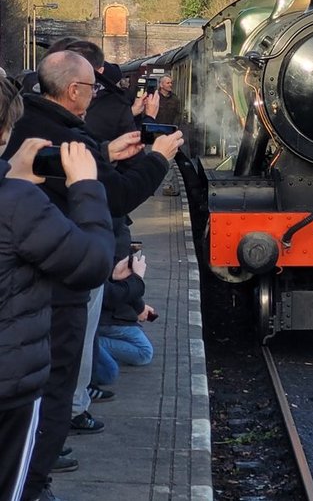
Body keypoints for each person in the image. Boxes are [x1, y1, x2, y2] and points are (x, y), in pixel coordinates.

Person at [0, 51, 184, 501]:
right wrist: (97, 181)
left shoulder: (36, 137)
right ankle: (38, 484)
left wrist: (101, 153)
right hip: (29, 338)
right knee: (55, 396)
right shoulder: (18, 200)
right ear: (76, 90)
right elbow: (94, 257)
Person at [0, 78, 114, 501]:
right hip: (9, 387)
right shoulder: (17, 204)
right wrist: (86, 186)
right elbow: (93, 262)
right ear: (6, 132)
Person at [92, 249, 155, 387]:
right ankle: (90, 343)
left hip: (109, 310)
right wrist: (139, 305)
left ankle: (91, 343)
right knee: (144, 352)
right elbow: (111, 294)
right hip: (109, 314)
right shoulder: (111, 234)